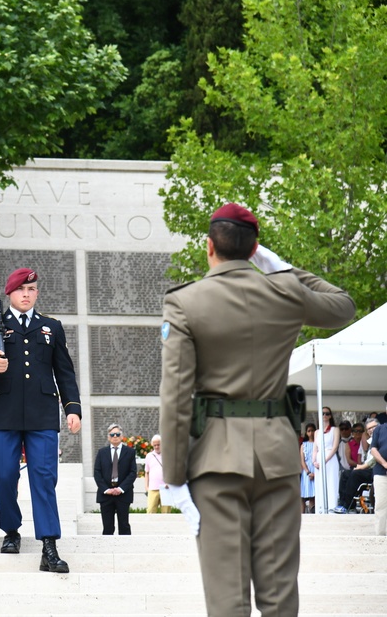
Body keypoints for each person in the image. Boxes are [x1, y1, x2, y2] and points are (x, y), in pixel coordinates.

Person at [159, 202, 355, 616]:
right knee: (280, 597)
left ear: (209, 247)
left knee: (227, 600)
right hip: (277, 459)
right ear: (254, 250)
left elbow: (175, 397)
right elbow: (342, 306)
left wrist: (175, 479)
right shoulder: (284, 292)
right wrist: (282, 269)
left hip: (216, 462)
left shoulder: (185, 302)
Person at [0, 267, 82, 574]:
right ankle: (11, 528)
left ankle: (49, 546)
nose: (26, 294)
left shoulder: (51, 327)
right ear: (9, 293)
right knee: (3, 476)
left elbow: (64, 371)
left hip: (42, 414)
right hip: (5, 411)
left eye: (32, 289)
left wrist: (72, 408)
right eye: (21, 289)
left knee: (44, 479)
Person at [94, 424, 137, 535]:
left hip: (123, 493)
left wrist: (121, 488)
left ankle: (125, 550)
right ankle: (107, 550)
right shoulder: (102, 452)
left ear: (122, 436)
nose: (115, 436)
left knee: (124, 525)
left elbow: (132, 473)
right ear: (108, 437)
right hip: (106, 494)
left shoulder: (130, 452)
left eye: (117, 434)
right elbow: (97, 473)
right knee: (107, 527)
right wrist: (106, 489)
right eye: (112, 434)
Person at [334, 418, 379, 513]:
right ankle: (343, 503)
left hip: (376, 470)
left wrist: (361, 467)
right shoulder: (371, 441)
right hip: (367, 468)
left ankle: (347, 505)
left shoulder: (382, 439)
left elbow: (374, 459)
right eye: (369, 428)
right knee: (345, 474)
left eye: (373, 427)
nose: (371, 430)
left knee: (355, 474)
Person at [315, 408, 342, 513]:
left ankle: (331, 507)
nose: (324, 415)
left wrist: (325, 460)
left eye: (327, 413)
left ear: (330, 416)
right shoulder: (317, 432)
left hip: (330, 458)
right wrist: (314, 461)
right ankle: (320, 508)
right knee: (320, 484)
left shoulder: (335, 429)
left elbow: (335, 447)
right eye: (322, 413)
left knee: (331, 482)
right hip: (318, 459)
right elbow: (314, 449)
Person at [369, 394, 387, 535]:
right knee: (381, 504)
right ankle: (381, 536)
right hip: (381, 472)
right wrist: (385, 463)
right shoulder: (379, 429)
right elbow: (373, 449)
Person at [144, 434, 170, 514]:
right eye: (154, 445)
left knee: (166, 513)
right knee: (150, 511)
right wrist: (146, 487)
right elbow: (147, 473)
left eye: (158, 445)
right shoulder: (149, 456)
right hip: (152, 488)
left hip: (166, 488)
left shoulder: (168, 455)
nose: (156, 447)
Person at [300, 423, 317, 514]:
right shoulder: (304, 445)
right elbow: (302, 461)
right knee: (304, 495)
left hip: (316, 470)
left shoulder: (317, 443)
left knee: (314, 496)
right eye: (309, 431)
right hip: (307, 472)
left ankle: (313, 513)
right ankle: (302, 515)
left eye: (312, 430)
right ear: (306, 433)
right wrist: (307, 472)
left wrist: (314, 473)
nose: (311, 433)